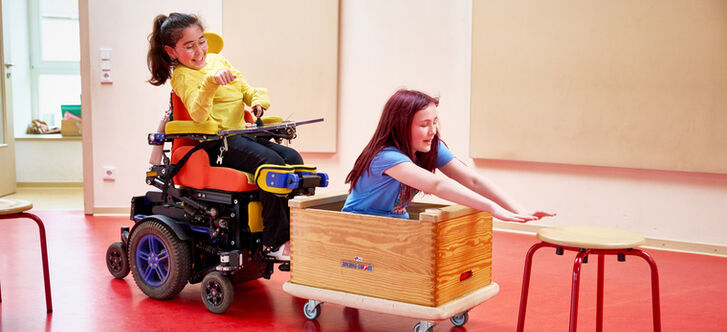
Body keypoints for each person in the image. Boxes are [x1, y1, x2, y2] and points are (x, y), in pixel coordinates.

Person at [147, 12, 298, 261]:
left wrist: (257, 101)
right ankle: (274, 242)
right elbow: (197, 112)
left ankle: (295, 232)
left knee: (293, 158)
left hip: (240, 136)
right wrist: (210, 83)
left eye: (201, 41)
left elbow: (244, 88)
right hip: (214, 144)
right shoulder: (182, 76)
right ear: (171, 51)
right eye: (189, 46)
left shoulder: (219, 59)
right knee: (273, 166)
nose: (199, 51)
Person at [343, 89, 554, 223]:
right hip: (360, 226)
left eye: (434, 122)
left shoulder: (430, 147)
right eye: (424, 125)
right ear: (400, 126)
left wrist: (519, 210)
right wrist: (493, 209)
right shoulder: (386, 157)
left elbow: (472, 180)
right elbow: (437, 186)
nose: (433, 130)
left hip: (398, 225)